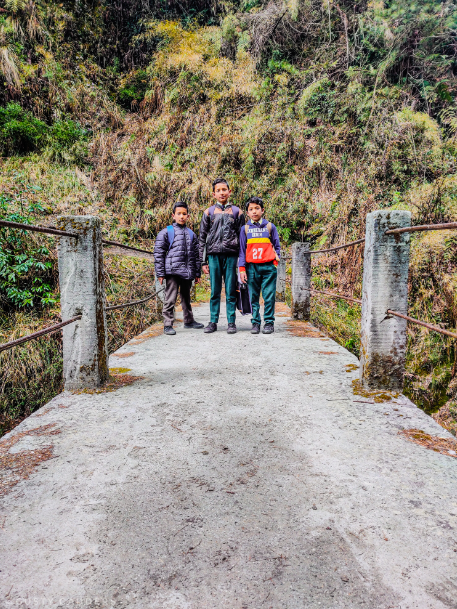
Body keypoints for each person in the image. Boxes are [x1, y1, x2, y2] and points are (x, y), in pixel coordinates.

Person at [199, 178, 245, 334]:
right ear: (213, 194)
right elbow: (202, 238)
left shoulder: (237, 212)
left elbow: (242, 238)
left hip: (232, 256)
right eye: (218, 190)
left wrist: (242, 261)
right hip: (213, 256)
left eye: (224, 190)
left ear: (229, 192)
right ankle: (213, 321)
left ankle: (231, 322)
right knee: (215, 291)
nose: (221, 193)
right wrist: (202, 261)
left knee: (231, 290)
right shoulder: (208, 212)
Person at [154, 201, 204, 335]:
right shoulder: (167, 232)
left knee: (186, 297)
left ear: (188, 216)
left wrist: (197, 273)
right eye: (179, 214)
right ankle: (168, 324)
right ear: (173, 215)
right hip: (172, 271)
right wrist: (160, 273)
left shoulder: (192, 234)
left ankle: (189, 320)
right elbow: (159, 253)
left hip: (187, 272)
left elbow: (196, 255)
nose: (181, 216)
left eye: (184, 214)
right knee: (170, 298)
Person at [238, 196, 281, 335]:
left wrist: (275, 262)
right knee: (253, 297)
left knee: (269, 296)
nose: (254, 211)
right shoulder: (245, 229)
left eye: (257, 208)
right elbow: (242, 251)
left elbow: (277, 246)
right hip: (251, 268)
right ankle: (255, 322)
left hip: (268, 268)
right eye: (251, 209)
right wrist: (242, 269)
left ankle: (269, 322)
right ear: (248, 213)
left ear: (262, 210)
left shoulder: (269, 226)